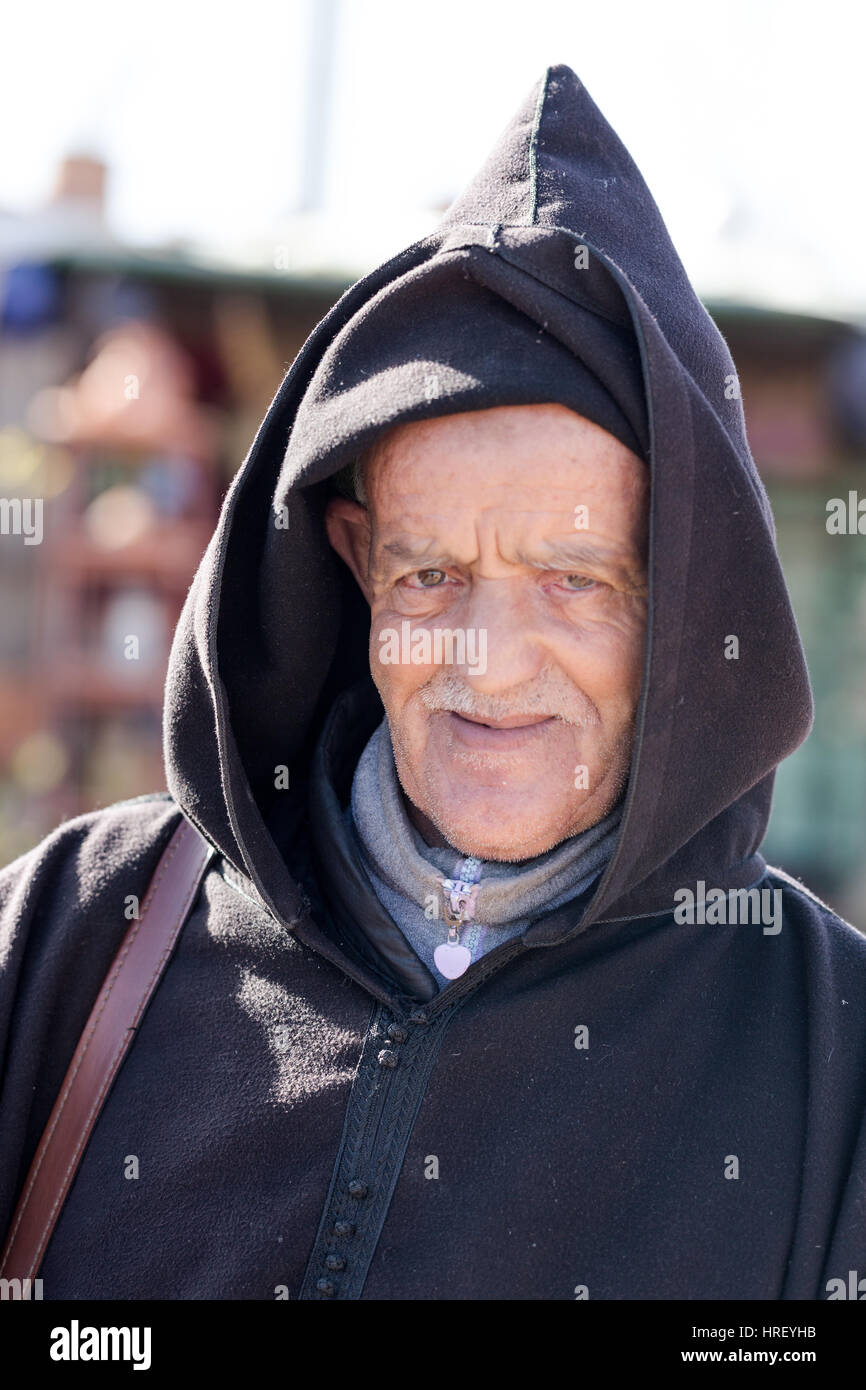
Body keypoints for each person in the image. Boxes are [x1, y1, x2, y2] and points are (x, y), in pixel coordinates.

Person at [2, 64, 865, 1302]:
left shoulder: (826, 1060)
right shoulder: (72, 941)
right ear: (355, 565)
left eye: (573, 579)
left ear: (684, 605)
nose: (487, 662)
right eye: (429, 576)